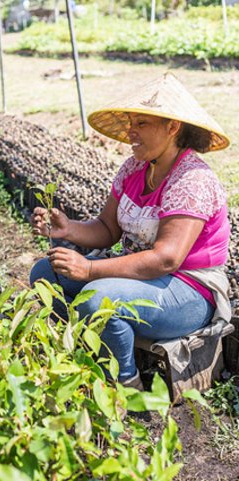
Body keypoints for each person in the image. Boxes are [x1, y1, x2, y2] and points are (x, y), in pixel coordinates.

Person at [30, 72, 231, 390]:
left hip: (188, 291)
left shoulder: (192, 179)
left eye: (141, 123)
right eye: (131, 123)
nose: (130, 132)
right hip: (140, 277)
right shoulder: (134, 168)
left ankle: (125, 381)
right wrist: (68, 228)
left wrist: (91, 269)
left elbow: (166, 260)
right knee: (45, 272)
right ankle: (89, 349)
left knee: (97, 298)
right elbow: (107, 228)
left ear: (172, 127)